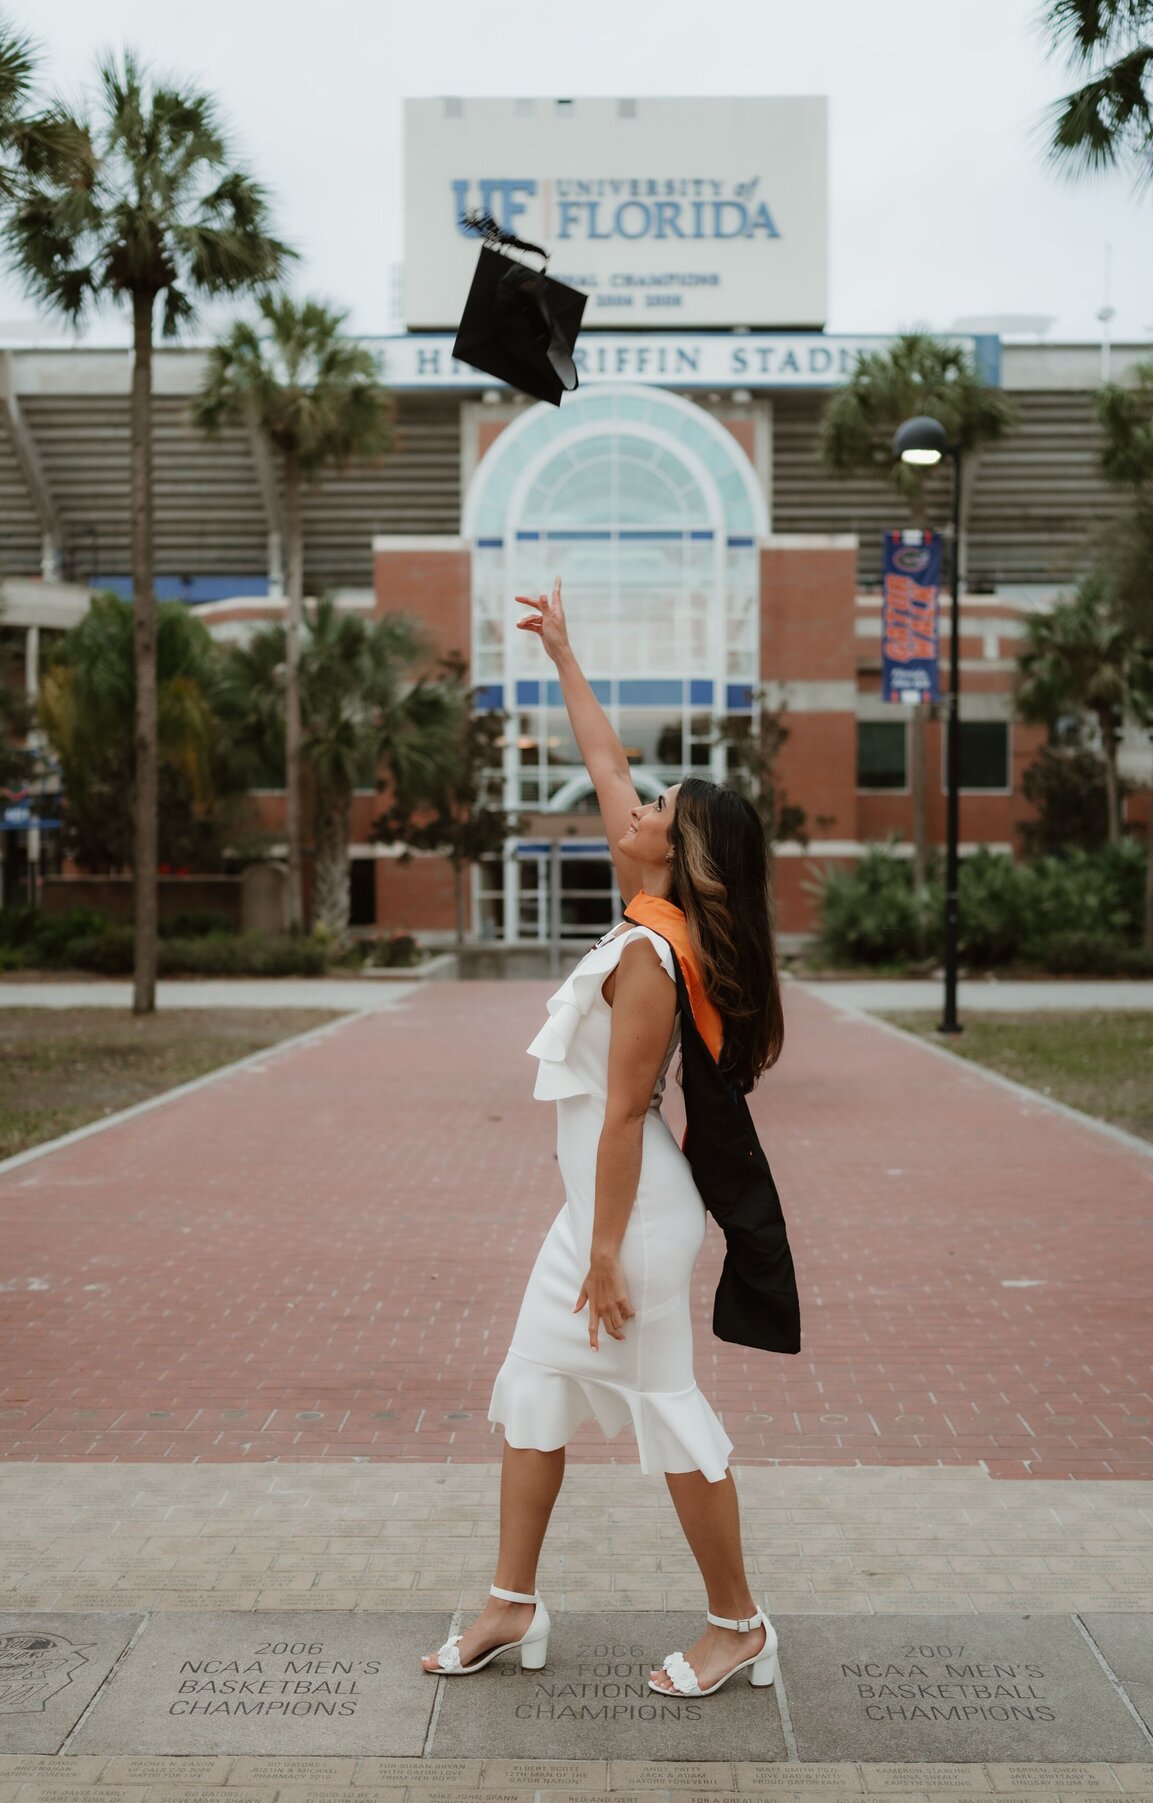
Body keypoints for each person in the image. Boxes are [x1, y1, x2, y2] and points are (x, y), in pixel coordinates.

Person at [419, 576, 784, 1698]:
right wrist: (565, 656)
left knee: (667, 1410)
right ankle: (510, 1607)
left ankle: (739, 1625)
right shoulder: (649, 913)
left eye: (654, 812)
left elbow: (627, 1113)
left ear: (677, 855)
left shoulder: (649, 957)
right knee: (532, 1385)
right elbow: (606, 762)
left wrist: (610, 1253)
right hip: (598, 1213)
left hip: (632, 1221)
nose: (628, 809)